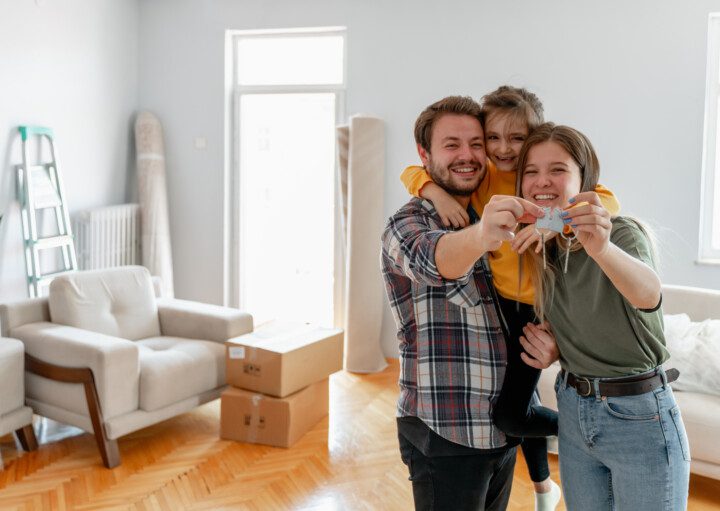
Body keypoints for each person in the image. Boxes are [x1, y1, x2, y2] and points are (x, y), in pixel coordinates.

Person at [400, 85, 621, 511]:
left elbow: (606, 201)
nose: (503, 149)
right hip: (500, 305)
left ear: (535, 137)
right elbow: (412, 172)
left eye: (516, 139)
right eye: (493, 138)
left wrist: (554, 221)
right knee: (520, 402)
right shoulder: (482, 183)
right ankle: (543, 486)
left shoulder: (544, 182)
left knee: (512, 414)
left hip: (537, 309)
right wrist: (436, 193)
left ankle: (585, 435)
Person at [381, 95, 559, 511]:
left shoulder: (494, 203)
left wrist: (551, 347)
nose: (468, 155)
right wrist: (482, 234)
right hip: (446, 432)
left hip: (500, 433)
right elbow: (433, 259)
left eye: (476, 143)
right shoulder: (407, 223)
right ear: (425, 156)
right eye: (451, 145)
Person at [515, 123, 690, 510]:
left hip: (639, 417)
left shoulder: (621, 234)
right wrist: (558, 350)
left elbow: (648, 295)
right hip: (574, 410)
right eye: (531, 171)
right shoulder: (543, 252)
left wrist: (601, 249)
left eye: (557, 169)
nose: (542, 181)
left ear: (583, 179)